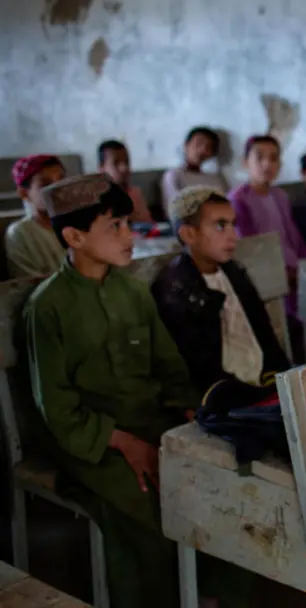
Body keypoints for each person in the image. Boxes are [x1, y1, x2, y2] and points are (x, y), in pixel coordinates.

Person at [22, 174, 249, 607]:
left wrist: (188, 412)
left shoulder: (132, 291)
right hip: (90, 441)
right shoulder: (48, 308)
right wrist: (124, 442)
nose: (131, 236)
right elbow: (57, 409)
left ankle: (216, 595)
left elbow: (169, 368)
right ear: (75, 236)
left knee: (221, 482)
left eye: (129, 224)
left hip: (149, 421)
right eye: (116, 227)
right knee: (144, 508)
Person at [151, 186, 291, 393]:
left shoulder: (235, 273)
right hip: (226, 394)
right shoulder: (176, 288)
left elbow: (264, 333)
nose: (233, 236)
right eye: (220, 226)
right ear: (189, 234)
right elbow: (199, 366)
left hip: (264, 380)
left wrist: (285, 376)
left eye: (233, 225)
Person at [228, 135, 306, 321]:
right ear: (245, 162)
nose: (267, 164)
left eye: (273, 158)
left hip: (294, 271)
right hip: (268, 278)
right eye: (260, 157)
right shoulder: (238, 200)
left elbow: (294, 238)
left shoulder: (280, 196)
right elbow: (250, 249)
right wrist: (286, 273)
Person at [6, 154, 66, 278]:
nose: (57, 189)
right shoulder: (20, 233)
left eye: (61, 181)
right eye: (45, 184)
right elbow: (29, 285)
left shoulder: (78, 223)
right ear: (24, 193)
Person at [161, 126, 228, 208]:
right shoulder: (174, 175)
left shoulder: (215, 178)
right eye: (198, 144)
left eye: (208, 147)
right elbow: (173, 208)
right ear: (186, 145)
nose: (202, 150)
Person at [98, 140, 153, 223]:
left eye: (126, 162)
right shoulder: (96, 198)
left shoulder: (134, 193)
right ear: (101, 168)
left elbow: (148, 225)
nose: (124, 168)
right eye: (116, 163)